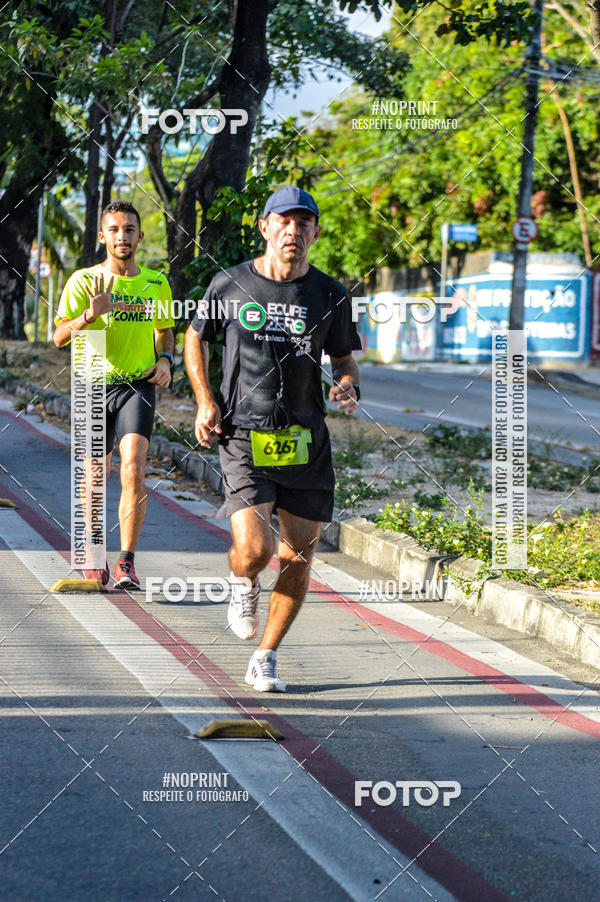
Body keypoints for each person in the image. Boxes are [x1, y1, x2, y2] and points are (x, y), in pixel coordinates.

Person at [184, 186, 361, 692]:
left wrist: (349, 385)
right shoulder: (231, 283)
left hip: (306, 439)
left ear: (315, 233)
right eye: (285, 222)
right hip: (242, 434)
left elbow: (344, 360)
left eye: (305, 224)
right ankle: (243, 581)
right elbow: (197, 335)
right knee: (256, 550)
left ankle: (266, 655)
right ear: (265, 227)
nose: (294, 232)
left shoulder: (329, 295)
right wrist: (203, 399)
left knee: (299, 555)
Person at [54, 200, 175, 589]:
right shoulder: (83, 281)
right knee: (94, 475)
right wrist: (90, 315)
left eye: (129, 229)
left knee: (134, 467)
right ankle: (93, 552)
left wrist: (167, 360)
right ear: (102, 236)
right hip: (92, 385)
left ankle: (126, 562)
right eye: (114, 230)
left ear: (140, 235)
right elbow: (58, 338)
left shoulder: (156, 283)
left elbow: (164, 329)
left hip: (136, 386)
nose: (122, 236)